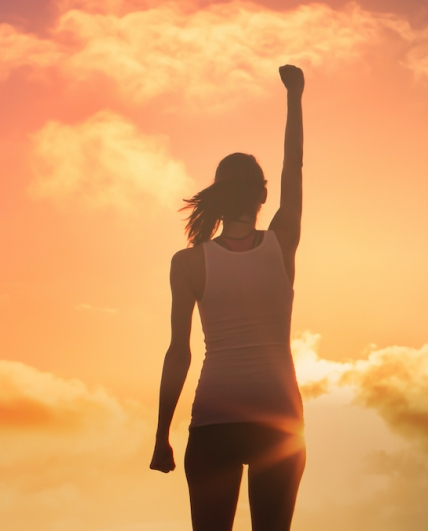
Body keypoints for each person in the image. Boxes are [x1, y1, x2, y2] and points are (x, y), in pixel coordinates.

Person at [149, 64, 306, 531]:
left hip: (213, 424)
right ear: (262, 194)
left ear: (218, 194)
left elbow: (179, 354)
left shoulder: (189, 263)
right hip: (278, 423)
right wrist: (295, 96)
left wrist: (161, 436)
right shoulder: (283, 241)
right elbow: (293, 163)